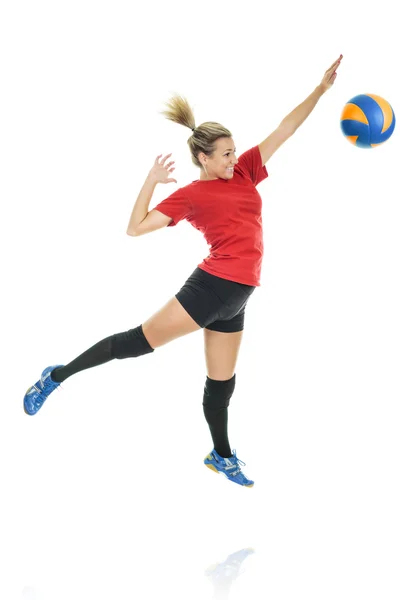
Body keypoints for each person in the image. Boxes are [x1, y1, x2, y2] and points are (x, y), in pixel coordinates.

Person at [23, 55, 343, 488]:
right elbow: (135, 229)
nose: (234, 158)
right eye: (226, 153)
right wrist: (151, 180)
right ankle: (55, 376)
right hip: (211, 288)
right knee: (136, 343)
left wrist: (320, 90)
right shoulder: (192, 195)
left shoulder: (246, 170)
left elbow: (285, 129)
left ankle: (220, 454)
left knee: (222, 381)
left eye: (234, 151)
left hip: (238, 294)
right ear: (202, 157)